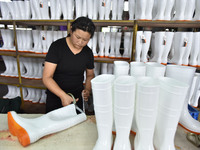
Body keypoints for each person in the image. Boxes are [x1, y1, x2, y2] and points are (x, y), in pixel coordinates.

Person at [42, 17, 96, 113]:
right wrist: (63, 95)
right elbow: (47, 77)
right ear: (71, 30)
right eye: (78, 37)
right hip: (55, 96)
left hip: (77, 98)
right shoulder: (57, 47)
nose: (80, 42)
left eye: (85, 40)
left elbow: (90, 75)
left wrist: (87, 90)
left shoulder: (88, 52)